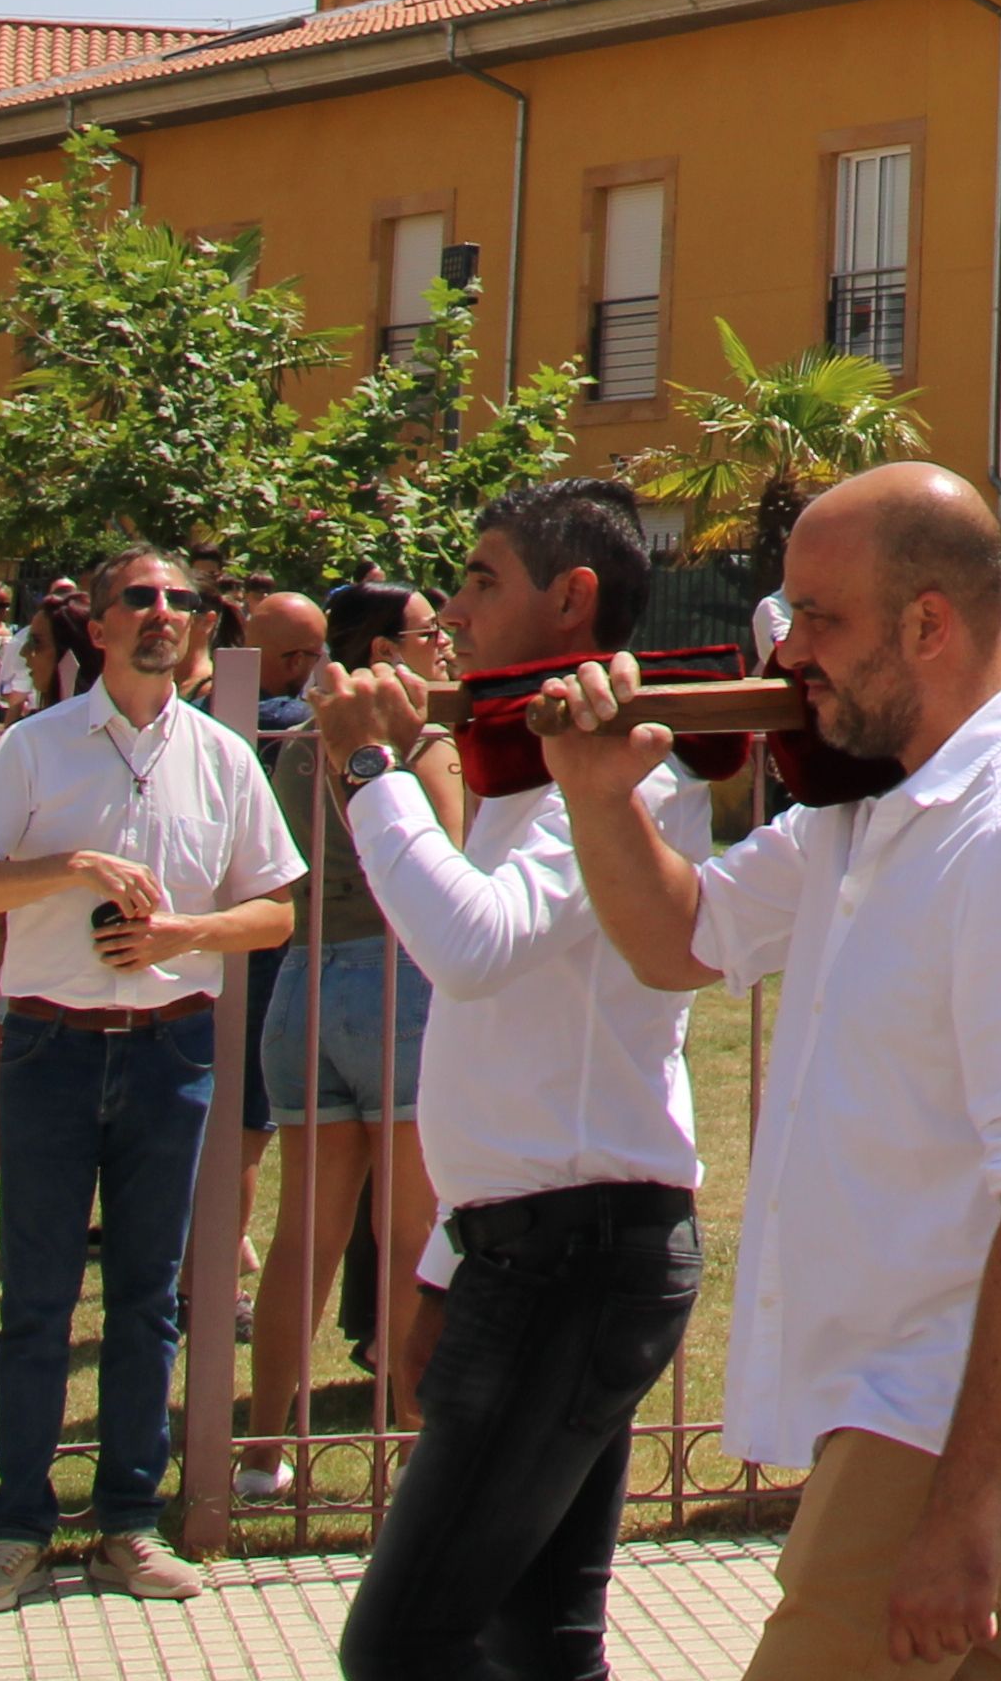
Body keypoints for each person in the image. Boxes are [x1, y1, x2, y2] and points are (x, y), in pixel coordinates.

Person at [540, 461, 1001, 1681]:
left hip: (942, 1421)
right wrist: (595, 798)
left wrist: (967, 1507)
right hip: (914, 1405)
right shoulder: (867, 811)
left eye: (818, 616)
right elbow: (681, 940)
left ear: (929, 623)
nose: (787, 647)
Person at [298, 479, 708, 1681]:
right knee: (539, 1640)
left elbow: (473, 950)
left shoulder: (623, 774)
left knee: (404, 1646)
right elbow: (511, 1055)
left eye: (482, 580)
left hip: (577, 1255)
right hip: (529, 1247)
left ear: (572, 597)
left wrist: (371, 768)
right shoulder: (536, 773)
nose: (453, 613)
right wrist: (439, 1266)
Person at [0, 547, 306, 1616]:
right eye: (138, 597)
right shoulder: (35, 749)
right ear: (96, 626)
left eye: (180, 601)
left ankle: (129, 1525)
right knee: (37, 1301)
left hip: (171, 1050)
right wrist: (75, 866)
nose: (162, 613)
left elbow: (274, 909)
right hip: (47, 1047)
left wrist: (183, 930)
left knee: (152, 1301)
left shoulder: (225, 759)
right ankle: (15, 1531)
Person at [243, 587, 436, 1486]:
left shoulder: (293, 745)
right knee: (407, 1233)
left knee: (302, 1235)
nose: (445, 646)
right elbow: (451, 872)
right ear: (385, 649)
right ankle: (405, 1442)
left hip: (302, 979)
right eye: (430, 633)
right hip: (394, 979)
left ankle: (261, 1448)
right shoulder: (421, 745)